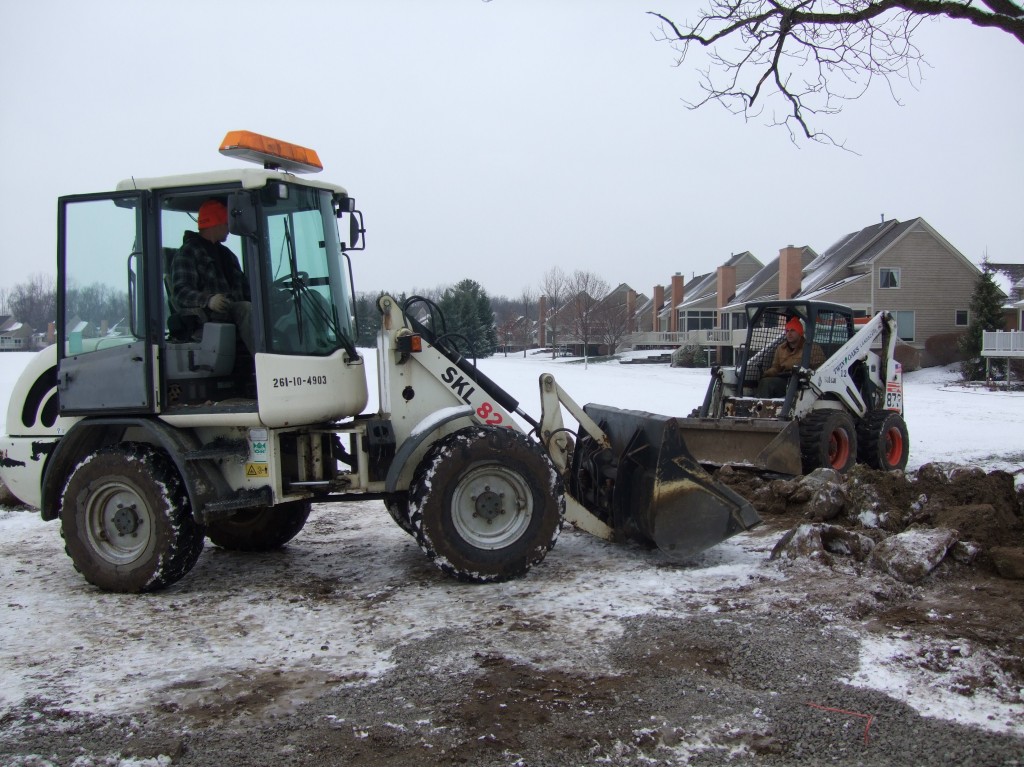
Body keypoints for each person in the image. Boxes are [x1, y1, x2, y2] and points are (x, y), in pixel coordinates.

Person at [170, 199, 255, 355]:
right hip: (210, 318)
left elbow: (246, 289)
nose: (229, 229)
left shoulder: (227, 255)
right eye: (227, 224)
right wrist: (209, 300)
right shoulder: (188, 252)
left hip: (233, 312)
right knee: (246, 309)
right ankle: (263, 359)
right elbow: (181, 293)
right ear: (216, 223)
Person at [756, 316, 825, 397]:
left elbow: (820, 368)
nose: (789, 333)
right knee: (765, 382)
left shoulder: (812, 348)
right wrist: (767, 373)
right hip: (784, 380)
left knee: (767, 383)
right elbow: (776, 368)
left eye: (792, 330)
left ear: (800, 332)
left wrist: (807, 375)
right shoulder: (781, 348)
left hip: (802, 383)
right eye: (787, 330)